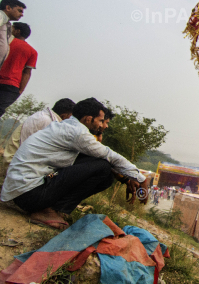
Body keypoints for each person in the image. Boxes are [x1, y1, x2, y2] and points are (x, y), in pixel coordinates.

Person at [0, 98, 149, 229]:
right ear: (88, 119)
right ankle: (48, 210)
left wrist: (127, 178)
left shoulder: (65, 126)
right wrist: (141, 178)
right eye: (101, 120)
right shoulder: (77, 133)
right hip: (28, 195)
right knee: (103, 168)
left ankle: (54, 209)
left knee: (104, 168)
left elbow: (102, 157)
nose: (103, 125)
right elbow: (109, 155)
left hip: (21, 191)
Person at [2, 98, 75, 172]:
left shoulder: (43, 116)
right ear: (64, 115)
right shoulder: (48, 122)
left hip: (13, 160)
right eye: (71, 116)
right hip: (15, 165)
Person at [0, 22, 37, 117]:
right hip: (12, 86)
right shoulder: (32, 51)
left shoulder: (5, 43)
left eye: (12, 29)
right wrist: (20, 90)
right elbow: (27, 73)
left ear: (17, 31)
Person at [0, 0, 25, 70]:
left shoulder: (6, 23)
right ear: (8, 8)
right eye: (19, 11)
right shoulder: (1, 16)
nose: (21, 14)